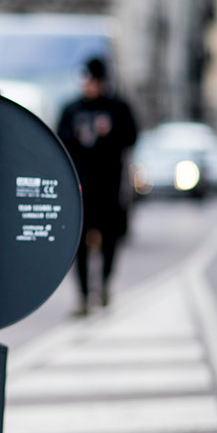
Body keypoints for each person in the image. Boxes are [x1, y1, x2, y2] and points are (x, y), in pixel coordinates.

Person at [57, 57, 137, 314]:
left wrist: (109, 135)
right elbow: (60, 140)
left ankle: (104, 284)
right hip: (79, 187)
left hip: (109, 186)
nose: (90, 86)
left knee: (111, 239)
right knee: (77, 243)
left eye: (94, 81)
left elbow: (131, 136)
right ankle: (82, 295)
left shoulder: (118, 108)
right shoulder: (72, 109)